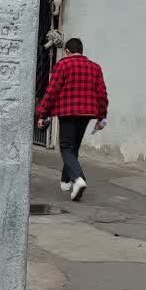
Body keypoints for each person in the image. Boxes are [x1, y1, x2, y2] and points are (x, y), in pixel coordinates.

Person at [36, 36, 108, 202]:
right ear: (81, 51)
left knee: (66, 147)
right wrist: (102, 117)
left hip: (68, 112)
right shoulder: (95, 67)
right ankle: (66, 181)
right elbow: (102, 94)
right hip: (87, 113)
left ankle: (78, 178)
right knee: (73, 147)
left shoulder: (63, 65)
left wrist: (42, 114)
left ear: (67, 51)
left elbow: (52, 91)